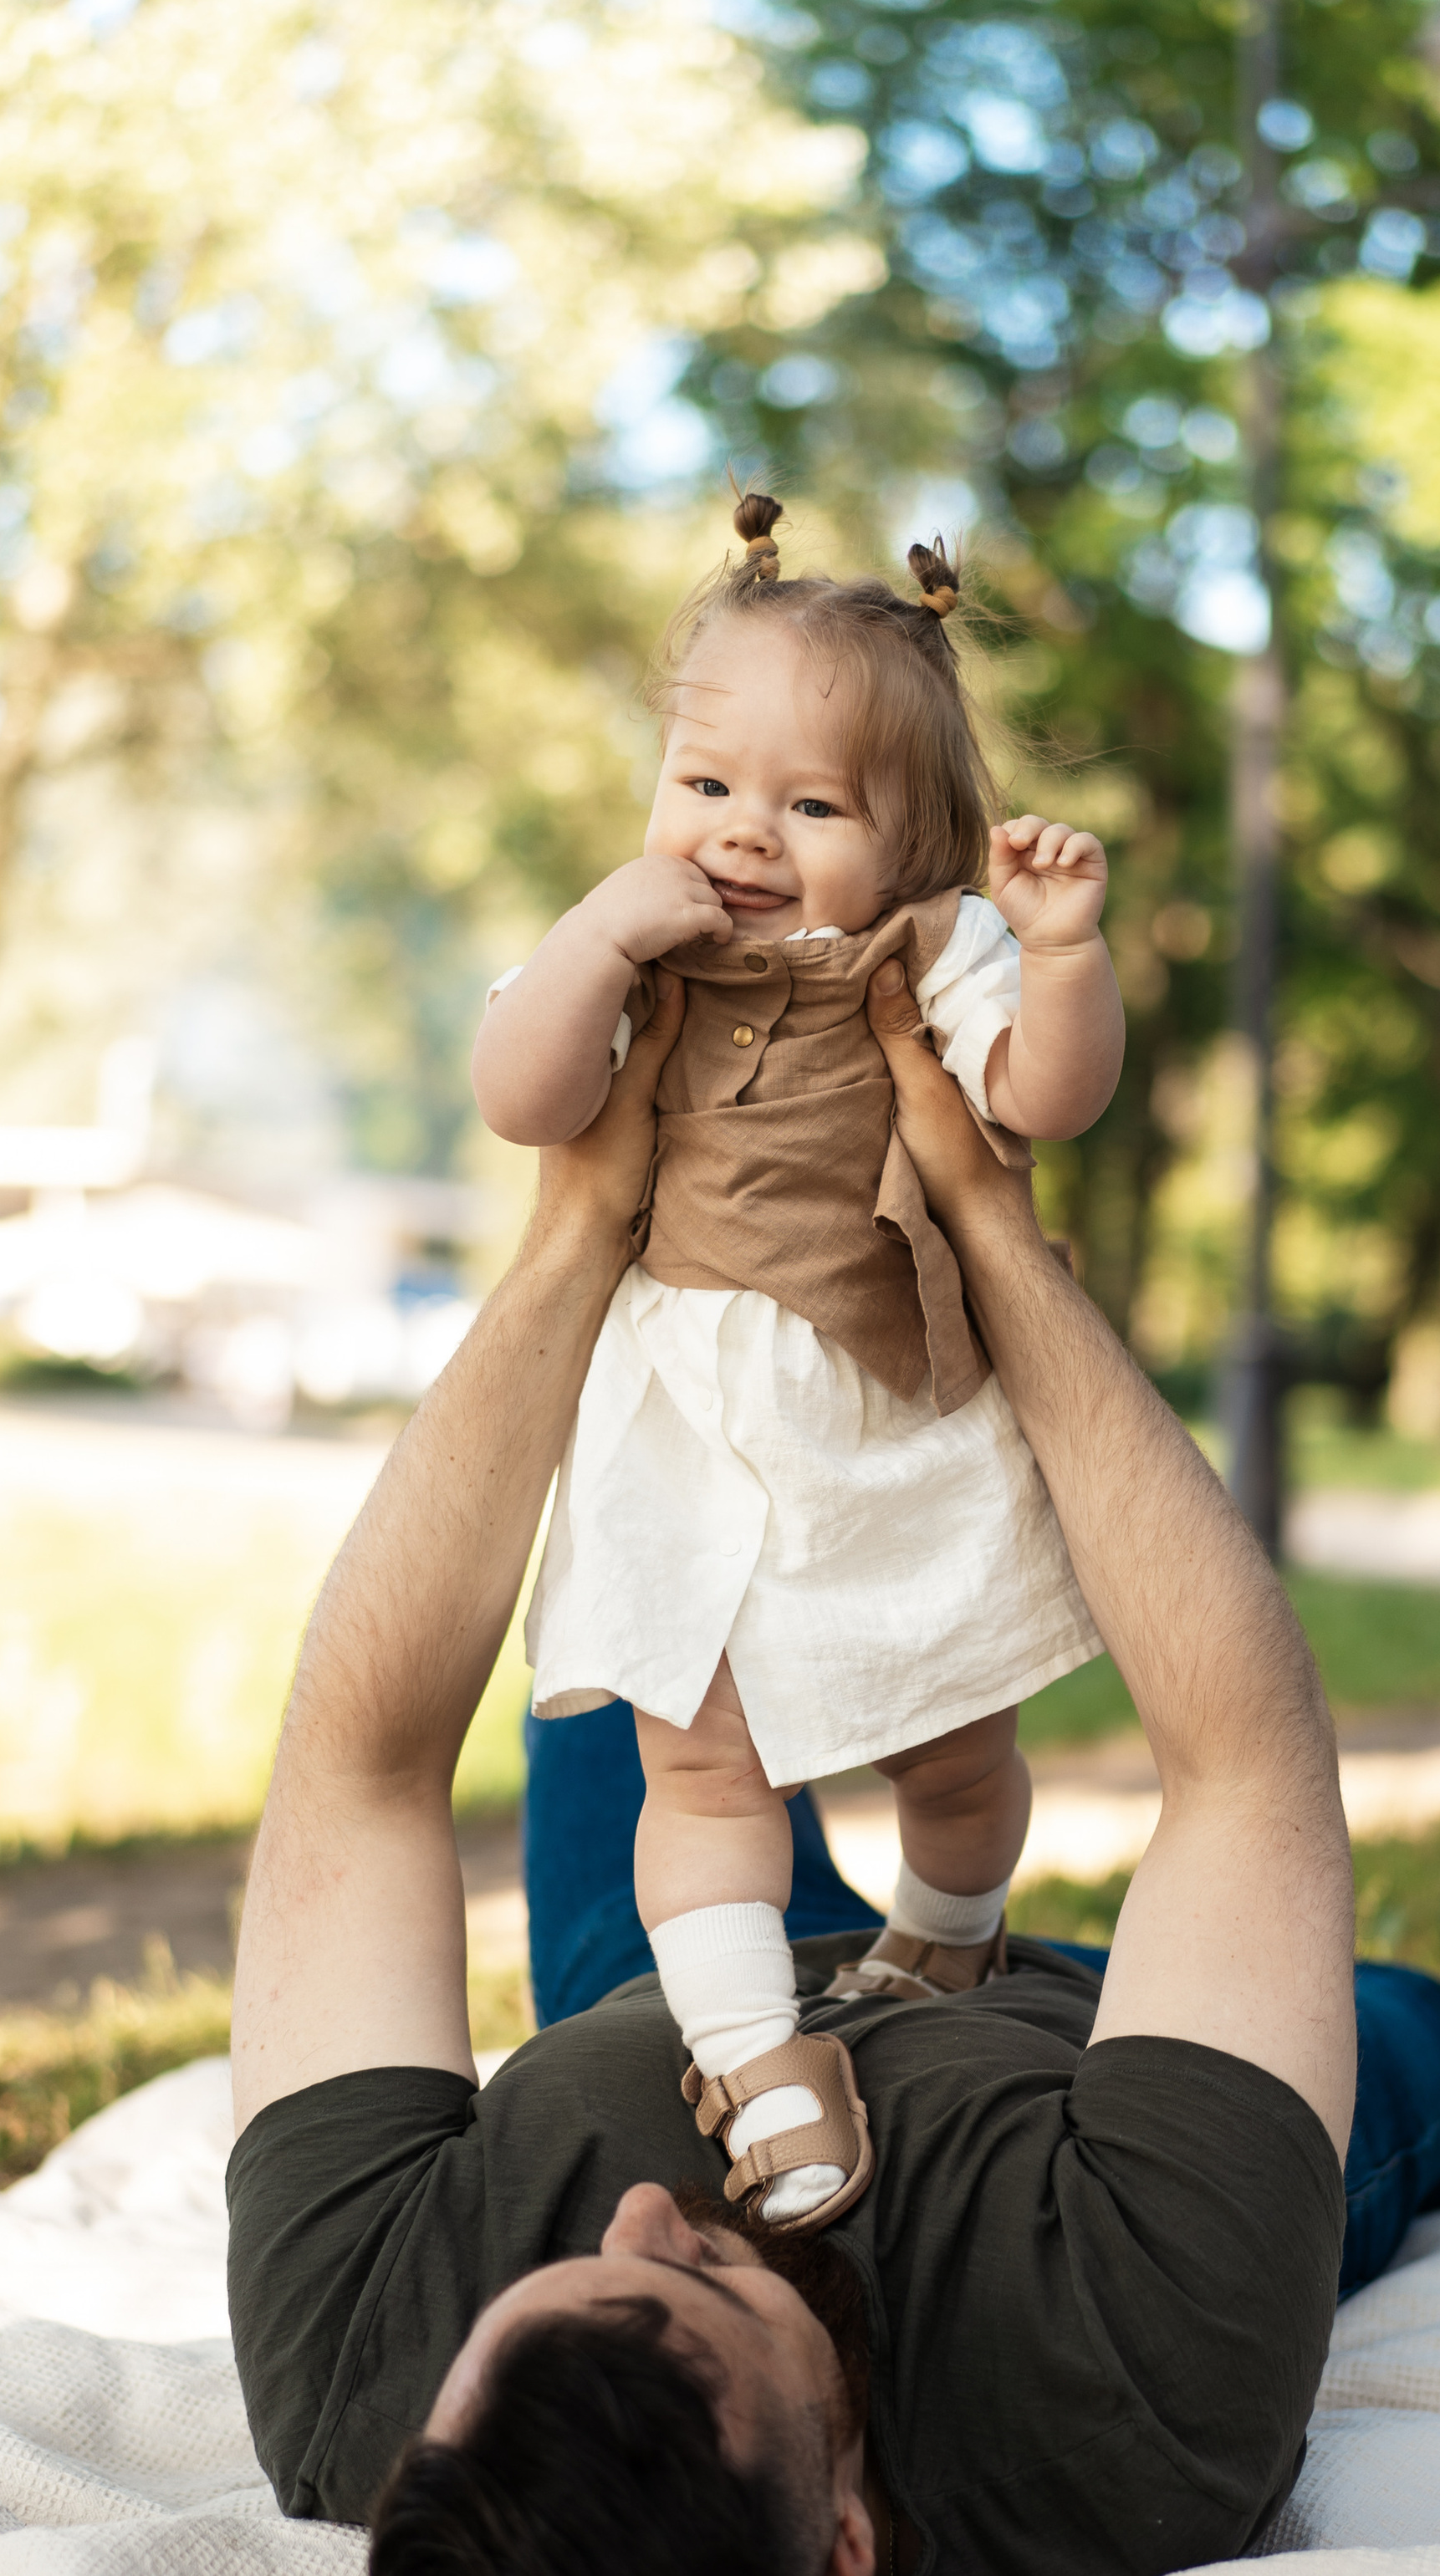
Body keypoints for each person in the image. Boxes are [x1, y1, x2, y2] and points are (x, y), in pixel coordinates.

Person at [226, 970, 1440, 2576]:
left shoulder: (356, 2371)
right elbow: (1242, 1764)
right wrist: (990, 1231)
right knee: (1427, 2056)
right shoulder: (1135, 2395)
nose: (636, 2214)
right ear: (849, 2549)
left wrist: (579, 1233)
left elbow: (362, 1769)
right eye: (697, 2290)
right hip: (1085, 2060)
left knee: (627, 1609)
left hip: (673, 1965)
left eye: (541, 2285)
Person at [468, 496, 1124, 2229]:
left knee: (950, 1745)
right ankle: (755, 2052)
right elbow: (524, 1100)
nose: (743, 835)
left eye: (812, 805)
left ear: (915, 842)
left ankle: (953, 1929)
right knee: (694, 1767)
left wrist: (1057, 958)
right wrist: (600, 941)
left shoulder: (936, 947)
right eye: (705, 785)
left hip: (884, 1409)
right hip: (683, 1425)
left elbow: (1040, 1100)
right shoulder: (635, 942)